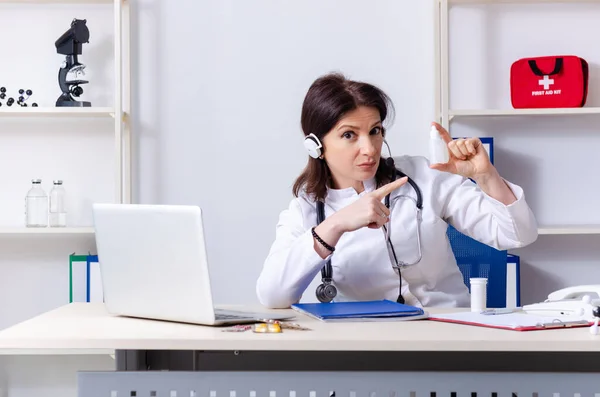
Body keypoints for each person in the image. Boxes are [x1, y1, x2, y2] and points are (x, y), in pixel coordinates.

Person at [256, 72, 538, 309]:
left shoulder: (424, 177)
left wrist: (486, 176)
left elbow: (517, 234)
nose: (369, 149)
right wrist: (336, 225)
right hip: (366, 346)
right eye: (349, 135)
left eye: (375, 131)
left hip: (446, 336)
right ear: (315, 145)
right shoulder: (307, 209)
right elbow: (272, 296)